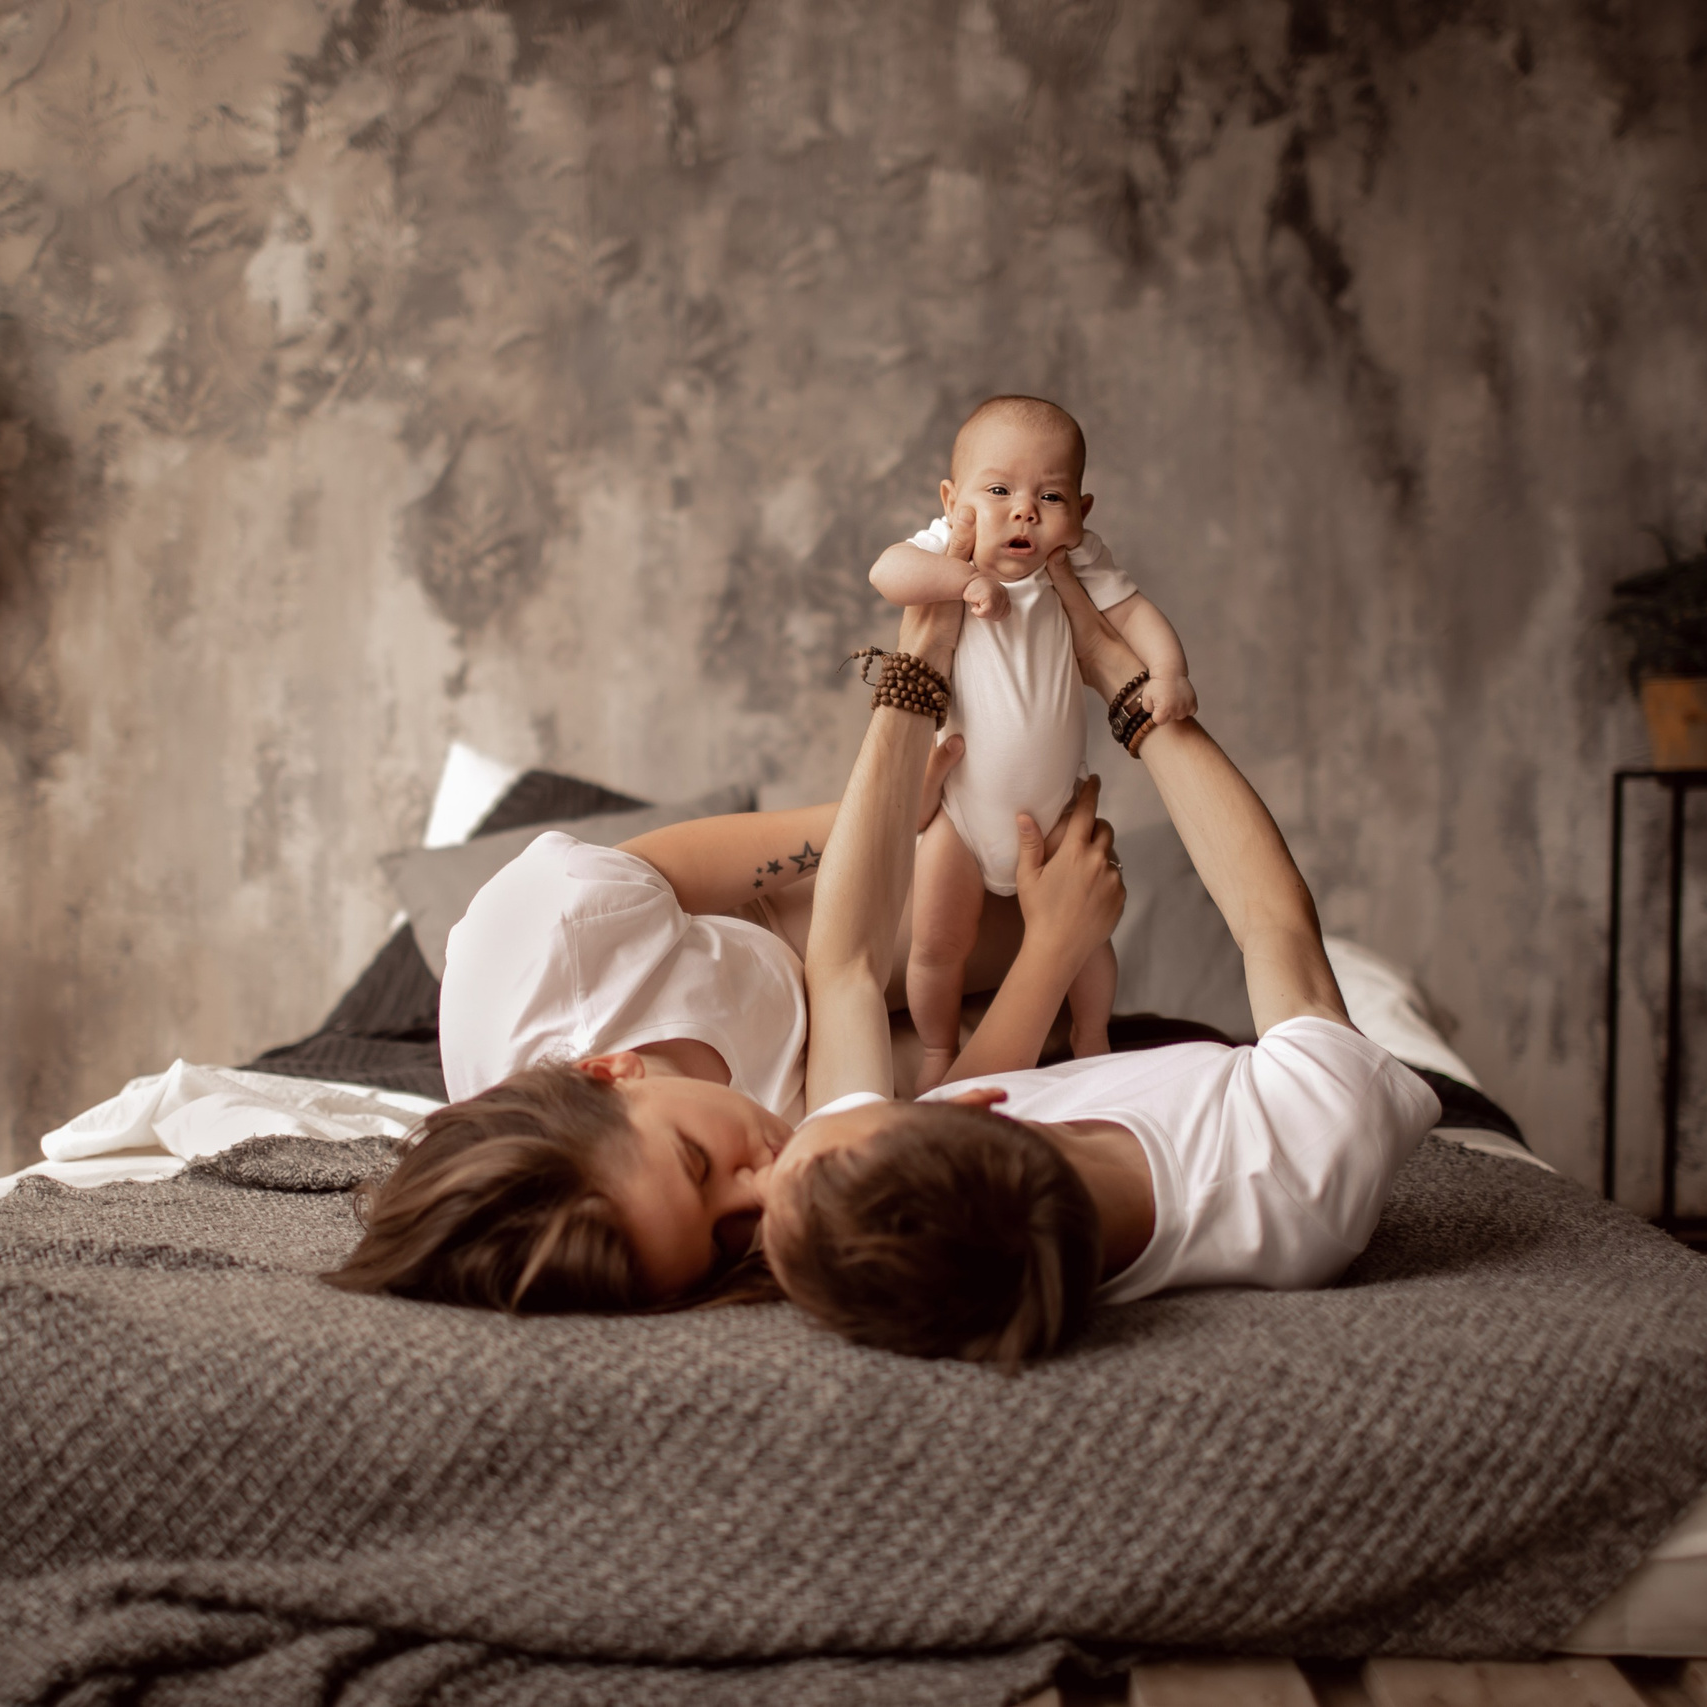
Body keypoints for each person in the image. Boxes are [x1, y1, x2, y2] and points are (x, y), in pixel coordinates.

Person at [328, 591, 1122, 1311]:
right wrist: (1053, 952)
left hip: (771, 925)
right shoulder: (738, 1214)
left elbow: (675, 867)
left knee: (1014, 861)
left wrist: (862, 821)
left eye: (699, 1165)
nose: (761, 1188)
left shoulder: (549, 943)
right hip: (818, 1061)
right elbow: (915, 1133)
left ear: (609, 1072)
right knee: (1039, 997)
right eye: (721, 1237)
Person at [757, 550, 1441, 1368]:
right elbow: (1274, 921)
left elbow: (844, 966)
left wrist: (924, 657)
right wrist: (1120, 680)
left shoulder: (917, 1213)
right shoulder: (1296, 1165)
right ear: (978, 1104)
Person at [868, 396, 1194, 1092]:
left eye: (1050, 495)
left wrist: (1168, 672)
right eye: (999, 490)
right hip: (960, 813)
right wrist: (962, 579)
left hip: (1053, 811)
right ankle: (937, 1049)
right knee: (935, 944)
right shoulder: (949, 553)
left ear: (1081, 510)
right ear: (954, 502)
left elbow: (1136, 613)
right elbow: (888, 573)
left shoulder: (1076, 564)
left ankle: (1090, 1033)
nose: (1024, 510)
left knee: (1089, 942)